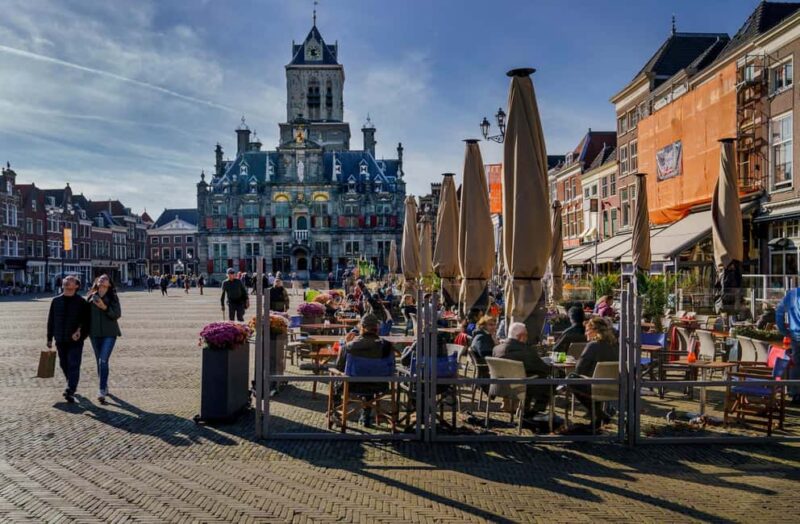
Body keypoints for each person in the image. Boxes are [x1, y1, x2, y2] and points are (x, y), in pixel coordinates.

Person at [334, 314, 393, 427]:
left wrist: (344, 344)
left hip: (353, 385)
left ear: (362, 327)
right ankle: (366, 413)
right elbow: (392, 367)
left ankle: (335, 410)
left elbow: (339, 366)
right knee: (371, 372)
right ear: (378, 327)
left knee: (337, 376)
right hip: (380, 385)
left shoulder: (350, 346)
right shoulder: (386, 346)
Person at [46, 275, 91, 403]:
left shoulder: (82, 302)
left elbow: (86, 321)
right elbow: (51, 320)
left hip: (75, 340)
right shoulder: (56, 301)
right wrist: (49, 338)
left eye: (71, 280)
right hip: (60, 338)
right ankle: (70, 383)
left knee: (73, 364)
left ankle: (70, 389)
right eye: (66, 280)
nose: (67, 281)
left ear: (76, 286)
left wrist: (80, 333)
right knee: (63, 363)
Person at [569, 317, 619, 428]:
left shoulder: (593, 345)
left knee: (571, 379)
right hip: (615, 387)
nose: (585, 333)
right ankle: (597, 418)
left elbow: (579, 370)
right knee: (589, 380)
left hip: (595, 387)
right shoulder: (616, 345)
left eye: (587, 330)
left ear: (595, 331)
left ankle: (600, 415)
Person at [492, 322, 551, 414]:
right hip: (520, 388)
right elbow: (543, 369)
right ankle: (534, 413)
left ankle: (516, 406)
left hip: (499, 387)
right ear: (521, 336)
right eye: (526, 336)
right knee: (547, 383)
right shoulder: (526, 351)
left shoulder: (496, 349)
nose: (527, 338)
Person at [86, 274, 121, 404]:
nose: (102, 279)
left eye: (105, 278)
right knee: (99, 361)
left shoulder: (113, 297)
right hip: (94, 333)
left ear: (109, 284)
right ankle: (104, 384)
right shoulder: (90, 296)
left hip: (109, 333)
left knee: (103, 360)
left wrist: (104, 307)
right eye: (100, 278)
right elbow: (85, 315)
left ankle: (101, 390)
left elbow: (117, 314)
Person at [776, 290, 800, 404]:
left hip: (795, 335)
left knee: (796, 364)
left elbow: (779, 312)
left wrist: (784, 331)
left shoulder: (792, 294)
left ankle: (795, 394)